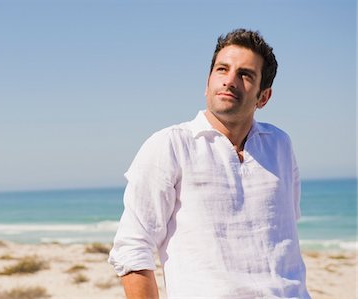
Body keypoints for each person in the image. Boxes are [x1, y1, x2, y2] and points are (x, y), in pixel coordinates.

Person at [108, 28, 311, 298]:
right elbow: (133, 248)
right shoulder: (170, 145)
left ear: (263, 97)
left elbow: (283, 232)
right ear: (207, 84)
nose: (229, 81)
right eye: (222, 69)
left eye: (245, 75)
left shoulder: (280, 145)